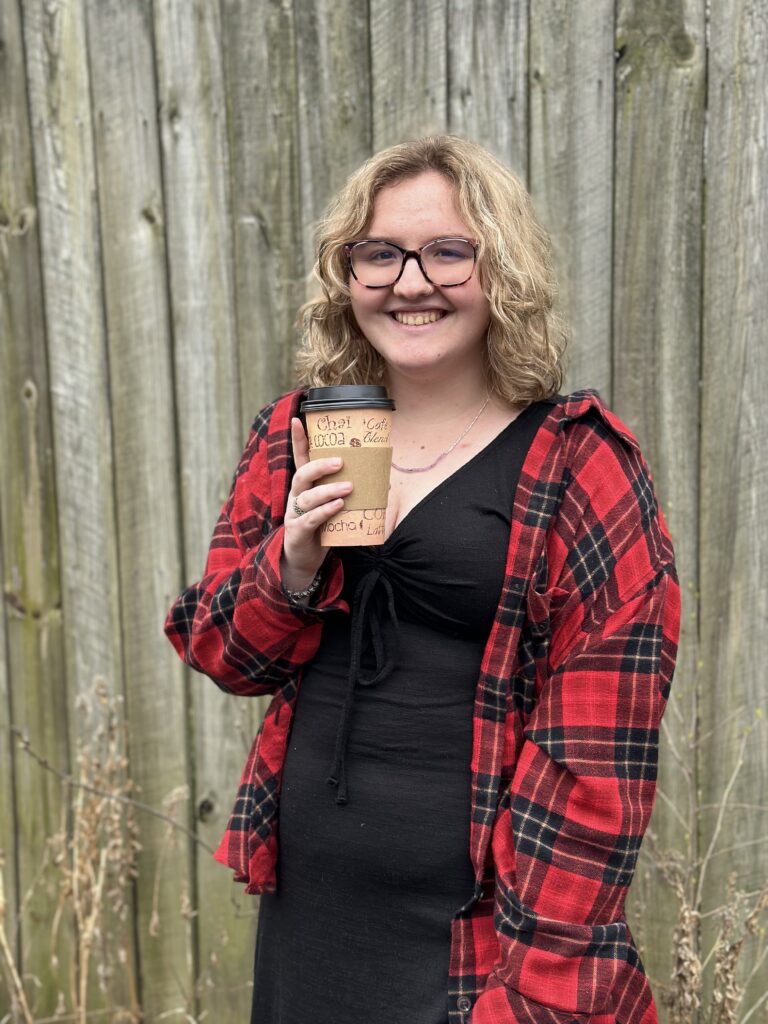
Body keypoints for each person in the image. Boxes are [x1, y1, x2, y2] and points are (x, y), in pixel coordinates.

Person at [164, 136, 680, 1024]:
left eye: (447, 251)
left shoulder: (578, 465)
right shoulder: (303, 431)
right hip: (313, 913)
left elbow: (600, 764)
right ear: (348, 276)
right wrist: (291, 562)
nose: (410, 283)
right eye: (379, 254)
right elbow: (222, 650)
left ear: (502, 270)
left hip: (477, 936)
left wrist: (531, 987)